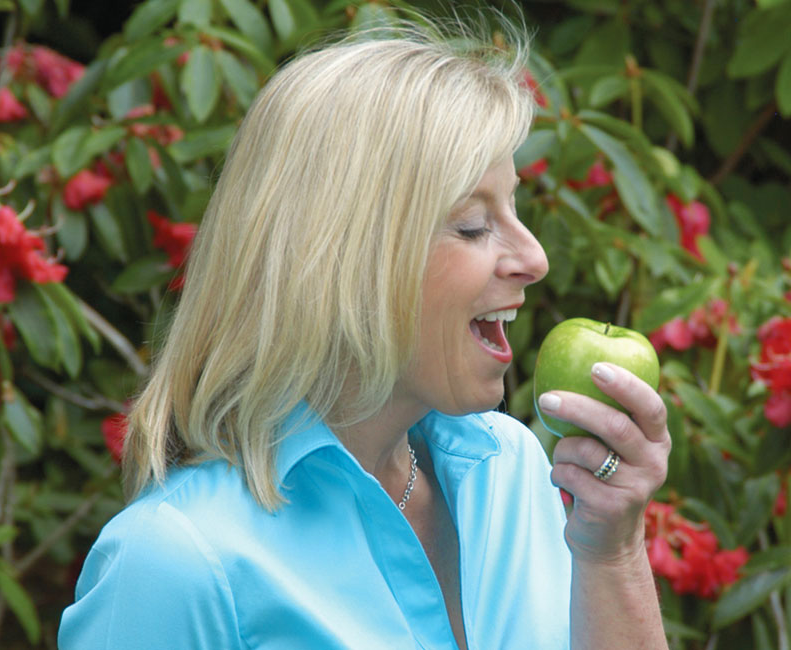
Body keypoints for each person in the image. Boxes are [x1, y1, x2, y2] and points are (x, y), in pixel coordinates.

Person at [58, 14, 671, 650]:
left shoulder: (512, 472)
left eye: (513, 209)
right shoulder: (175, 564)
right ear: (344, 259)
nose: (535, 258)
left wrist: (613, 553)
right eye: (470, 225)